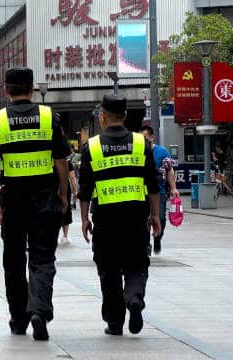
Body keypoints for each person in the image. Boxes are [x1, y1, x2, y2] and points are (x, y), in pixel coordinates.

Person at [0, 67, 70, 341]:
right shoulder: (48, 117)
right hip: (45, 197)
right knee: (43, 257)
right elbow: (62, 163)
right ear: (32, 89)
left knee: (14, 261)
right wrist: (63, 193)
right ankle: (39, 311)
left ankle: (19, 318)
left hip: (14, 200)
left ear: (7, 90)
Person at [79, 95, 160, 336]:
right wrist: (155, 215)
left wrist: (84, 219)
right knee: (137, 263)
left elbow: (84, 190)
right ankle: (134, 297)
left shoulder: (91, 147)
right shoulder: (141, 144)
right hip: (136, 217)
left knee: (109, 269)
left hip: (106, 219)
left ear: (102, 117)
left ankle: (115, 322)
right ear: (124, 117)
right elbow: (153, 185)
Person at [140, 126, 179, 255]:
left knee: (161, 218)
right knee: (143, 219)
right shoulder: (137, 152)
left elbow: (169, 171)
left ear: (151, 137)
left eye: (145, 138)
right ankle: (146, 245)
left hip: (159, 191)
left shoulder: (162, 152)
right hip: (142, 192)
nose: (143, 141)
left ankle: (157, 237)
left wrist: (173, 188)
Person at [59, 158, 78, 245]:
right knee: (65, 211)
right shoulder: (67, 162)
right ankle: (65, 236)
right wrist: (75, 191)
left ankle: (53, 235)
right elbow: (72, 178)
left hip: (51, 188)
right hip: (64, 189)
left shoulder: (50, 159)